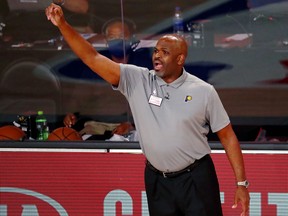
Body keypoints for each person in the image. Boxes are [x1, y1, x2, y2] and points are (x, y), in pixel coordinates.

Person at [46, 3, 250, 216]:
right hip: (157, 181)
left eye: (165, 52)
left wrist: (241, 183)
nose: (157, 56)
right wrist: (63, 25)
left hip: (196, 179)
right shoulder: (137, 80)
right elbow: (92, 57)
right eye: (155, 51)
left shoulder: (203, 91)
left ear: (180, 59)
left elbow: (228, 137)